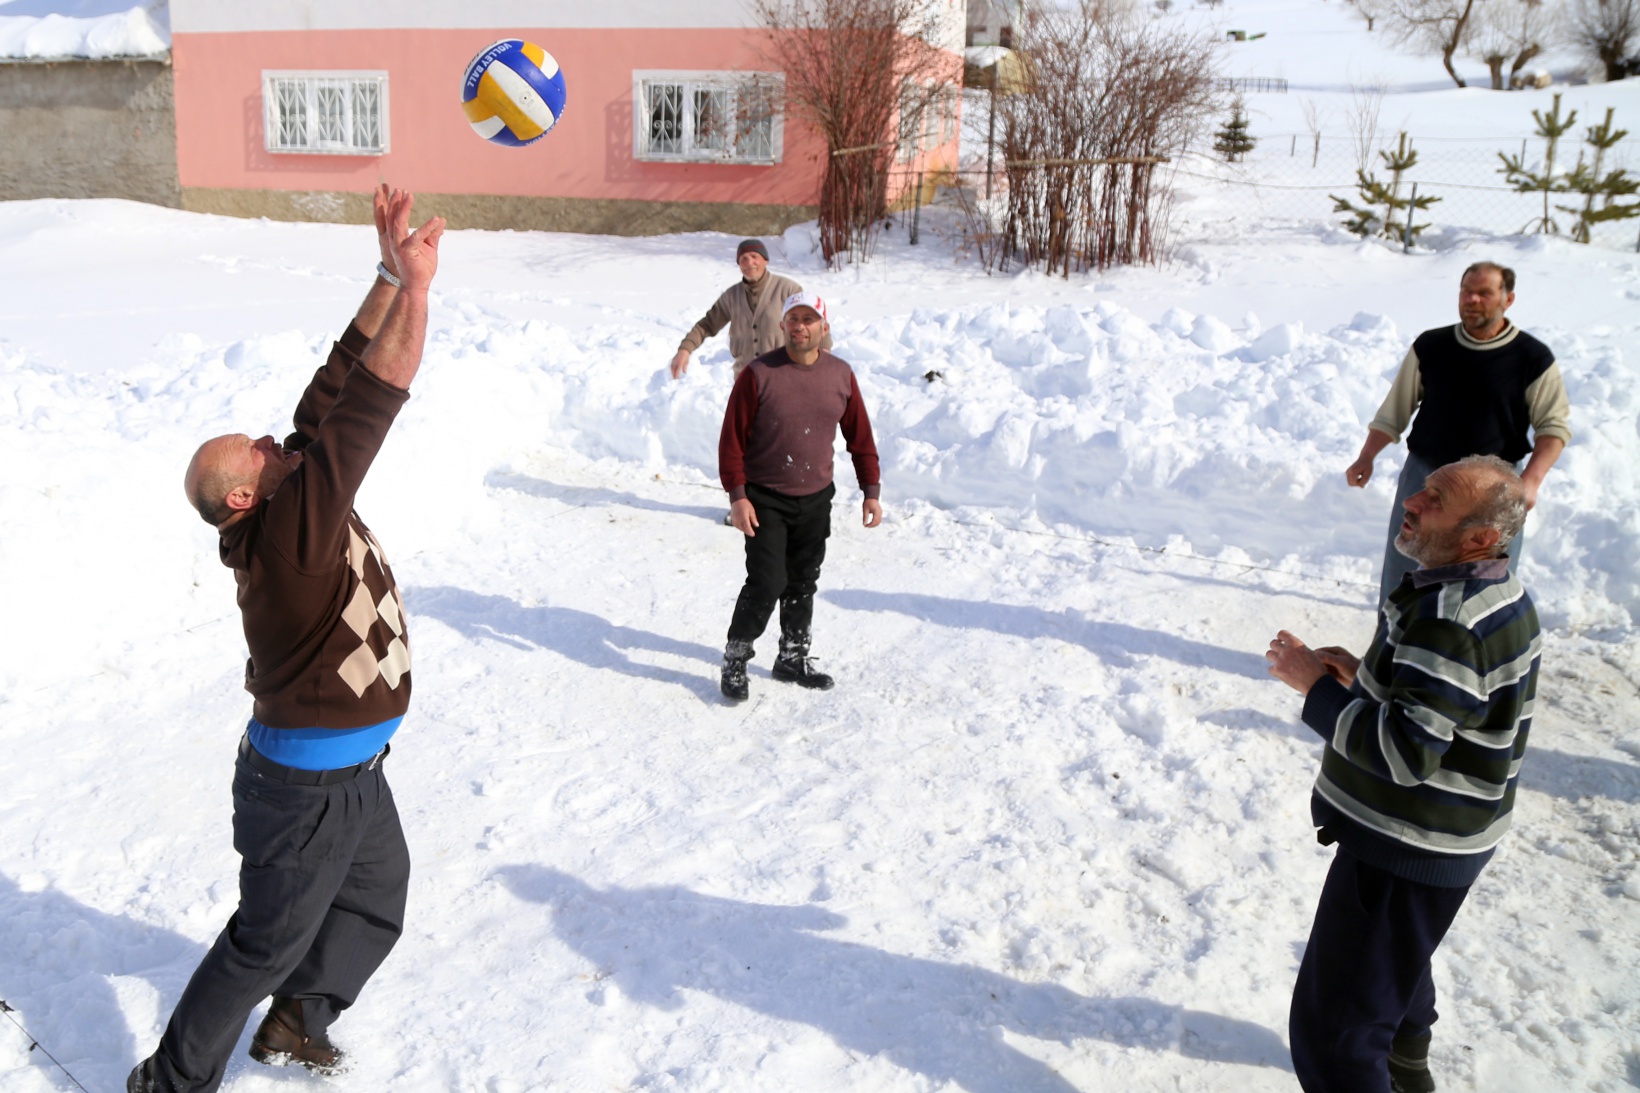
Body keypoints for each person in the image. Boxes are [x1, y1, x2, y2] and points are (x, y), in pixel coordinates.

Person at [129, 186, 445, 1093]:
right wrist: (422, 293)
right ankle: (170, 1082)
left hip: (351, 772)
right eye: (256, 448)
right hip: (305, 792)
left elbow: (342, 375)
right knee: (262, 942)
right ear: (243, 496)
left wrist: (388, 274)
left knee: (376, 896)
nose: (273, 438)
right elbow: (376, 397)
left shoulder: (286, 489)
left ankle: (295, 1024)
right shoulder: (293, 536)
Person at [1266, 454, 1542, 1093]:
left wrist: (1315, 689)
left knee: (1335, 1039)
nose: (1412, 502)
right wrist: (1368, 677)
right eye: (1422, 489)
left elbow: (1404, 755)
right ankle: (1407, 1065)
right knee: (1394, 959)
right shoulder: (1498, 591)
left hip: (1405, 849)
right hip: (1443, 841)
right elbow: (1450, 707)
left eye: (1436, 501)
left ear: (1478, 537)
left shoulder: (1450, 619)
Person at [1344, 261, 1570, 606]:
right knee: (1405, 569)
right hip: (1426, 476)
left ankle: (1477, 638)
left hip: (1493, 489)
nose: (1472, 299)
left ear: (1508, 299)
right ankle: (1392, 638)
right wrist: (1366, 456)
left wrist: (1531, 481)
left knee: (1484, 579)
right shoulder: (1431, 346)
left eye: (1484, 293)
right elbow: (1394, 411)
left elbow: (1553, 428)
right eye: (1466, 291)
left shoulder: (1532, 357)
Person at [718, 291, 881, 701]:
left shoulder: (840, 374)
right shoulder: (759, 374)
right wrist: (738, 496)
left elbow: (860, 437)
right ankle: (736, 657)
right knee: (767, 581)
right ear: (782, 325)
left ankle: (792, 656)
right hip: (765, 498)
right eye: (793, 318)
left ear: (824, 327)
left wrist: (870, 489)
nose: (800, 326)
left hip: (815, 497)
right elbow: (732, 440)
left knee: (803, 580)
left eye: (809, 319)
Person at [669, 238, 820, 379]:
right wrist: (685, 349)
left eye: (754, 256)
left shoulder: (788, 290)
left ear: (765, 260)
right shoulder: (731, 296)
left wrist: (823, 355)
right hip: (745, 379)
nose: (749, 263)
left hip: (783, 376)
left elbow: (813, 323)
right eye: (743, 259)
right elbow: (706, 325)